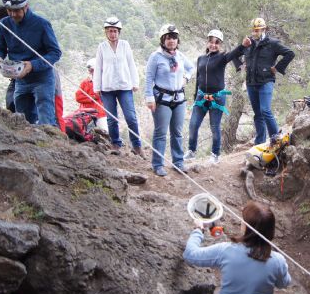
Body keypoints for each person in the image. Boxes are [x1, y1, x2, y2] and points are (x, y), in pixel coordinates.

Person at [183, 200, 291, 294]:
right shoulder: (278, 261)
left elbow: (190, 255)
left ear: (246, 227)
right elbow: (284, 283)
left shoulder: (226, 251)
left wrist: (198, 230)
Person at [0, 0, 61, 126]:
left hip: (43, 79)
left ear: (26, 6)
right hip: (20, 81)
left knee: (46, 121)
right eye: (9, 10)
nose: (12, 14)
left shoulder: (42, 24)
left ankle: (50, 147)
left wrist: (32, 65)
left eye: (16, 10)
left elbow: (55, 53)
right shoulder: (4, 24)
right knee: (22, 123)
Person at [233, 18, 294, 145]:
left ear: (264, 29)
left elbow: (290, 53)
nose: (255, 32)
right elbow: (234, 54)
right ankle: (259, 142)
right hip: (251, 83)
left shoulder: (272, 43)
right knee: (258, 114)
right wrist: (240, 65)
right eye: (254, 30)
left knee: (265, 110)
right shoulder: (248, 43)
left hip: (266, 81)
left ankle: (276, 137)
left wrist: (277, 68)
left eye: (258, 30)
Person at [144, 24, 194, 176]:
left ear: (177, 40)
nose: (171, 41)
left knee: (177, 132)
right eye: (168, 38)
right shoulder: (156, 57)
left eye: (174, 38)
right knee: (161, 133)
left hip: (179, 99)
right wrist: (149, 98)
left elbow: (191, 68)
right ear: (163, 40)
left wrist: (186, 78)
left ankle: (178, 162)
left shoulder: (179, 55)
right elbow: (149, 78)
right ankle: (158, 164)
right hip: (162, 99)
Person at [185, 29, 240, 164]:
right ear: (207, 42)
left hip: (217, 98)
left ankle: (215, 154)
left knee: (214, 126)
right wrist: (195, 95)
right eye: (211, 42)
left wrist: (243, 45)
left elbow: (234, 54)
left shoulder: (222, 58)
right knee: (193, 124)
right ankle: (191, 151)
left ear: (220, 44)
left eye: (217, 42)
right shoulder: (201, 59)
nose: (213, 45)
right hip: (201, 97)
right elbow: (198, 77)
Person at [93, 16, 143, 156]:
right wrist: (96, 87)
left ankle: (137, 146)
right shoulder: (102, 47)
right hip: (107, 88)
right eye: (109, 31)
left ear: (119, 32)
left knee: (130, 117)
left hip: (125, 86)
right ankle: (115, 144)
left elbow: (131, 63)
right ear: (106, 32)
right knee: (111, 118)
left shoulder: (125, 45)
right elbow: (98, 67)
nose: (112, 34)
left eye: (115, 31)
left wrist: (135, 82)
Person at [75, 58, 108, 132]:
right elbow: (78, 97)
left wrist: (88, 97)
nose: (91, 72)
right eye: (90, 70)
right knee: (86, 134)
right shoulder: (85, 82)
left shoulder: (104, 81)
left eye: (92, 70)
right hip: (86, 114)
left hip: (100, 114)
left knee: (105, 133)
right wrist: (92, 97)